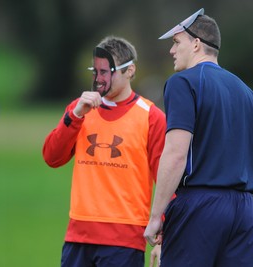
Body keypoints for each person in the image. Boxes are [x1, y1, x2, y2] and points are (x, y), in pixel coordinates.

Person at [144, 8, 253, 267]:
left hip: (198, 206)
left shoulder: (182, 83)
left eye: (177, 42)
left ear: (196, 44)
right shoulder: (247, 93)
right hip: (243, 210)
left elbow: (176, 153)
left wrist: (156, 216)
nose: (171, 51)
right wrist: (247, 217)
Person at [42, 36, 166, 267]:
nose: (100, 79)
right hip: (78, 236)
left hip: (124, 241)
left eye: (107, 72)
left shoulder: (151, 116)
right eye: (96, 72)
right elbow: (52, 157)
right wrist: (75, 116)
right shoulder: (80, 109)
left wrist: (163, 234)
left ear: (130, 71)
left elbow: (167, 178)